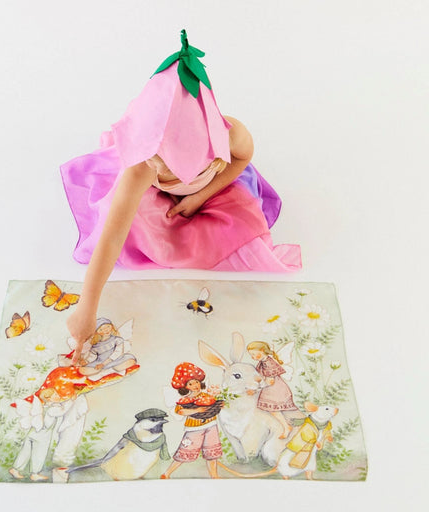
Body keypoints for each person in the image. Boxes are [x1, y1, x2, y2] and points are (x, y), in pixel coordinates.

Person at [62, 31, 301, 361]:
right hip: (158, 195)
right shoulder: (142, 168)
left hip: (211, 188)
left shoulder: (231, 136)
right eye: (152, 155)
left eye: (168, 159)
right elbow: (111, 238)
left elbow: (243, 159)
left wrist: (201, 196)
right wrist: (86, 309)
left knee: (243, 235)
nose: (156, 163)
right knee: (127, 220)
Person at [160, 363, 223, 479]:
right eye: (190, 384)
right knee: (185, 451)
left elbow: (213, 405)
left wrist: (220, 405)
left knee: (212, 452)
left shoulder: (206, 396)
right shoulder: (185, 400)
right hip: (194, 429)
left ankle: (214, 476)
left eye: (196, 382)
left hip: (211, 425)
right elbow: (180, 411)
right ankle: (167, 473)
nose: (195, 385)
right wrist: (197, 410)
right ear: (185, 387)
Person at [247, 341, 298, 439]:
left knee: (274, 410)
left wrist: (255, 390)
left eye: (253, 354)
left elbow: (270, 382)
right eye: (251, 355)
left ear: (262, 350)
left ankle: (286, 427)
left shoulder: (269, 364)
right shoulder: (262, 362)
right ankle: (285, 427)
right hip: (269, 388)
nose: (252, 357)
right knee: (272, 411)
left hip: (275, 390)